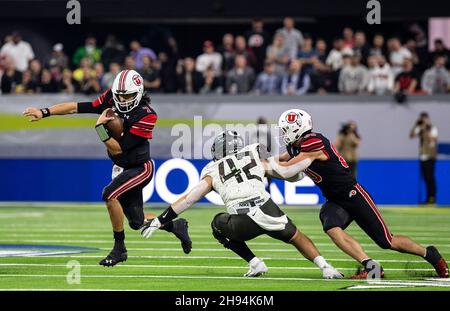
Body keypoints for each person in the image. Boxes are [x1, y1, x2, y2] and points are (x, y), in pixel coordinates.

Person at [22, 70, 192, 266]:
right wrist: (44, 112)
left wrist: (100, 129)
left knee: (109, 194)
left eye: (127, 95)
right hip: (121, 167)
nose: (122, 99)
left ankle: (119, 249)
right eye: (119, 95)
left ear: (138, 93)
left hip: (140, 168)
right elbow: (76, 107)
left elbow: (119, 148)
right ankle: (176, 226)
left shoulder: (146, 115)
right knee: (136, 222)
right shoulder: (111, 98)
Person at [268, 109, 449, 279]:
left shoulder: (314, 142)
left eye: (286, 129)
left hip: (353, 194)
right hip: (335, 199)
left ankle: (430, 254)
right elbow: (279, 160)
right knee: (331, 226)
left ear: (297, 128)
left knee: (386, 241)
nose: (284, 134)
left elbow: (287, 167)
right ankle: (372, 267)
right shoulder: (295, 146)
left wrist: (262, 167)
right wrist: (253, 160)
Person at [141, 131, 344, 279]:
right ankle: (326, 267)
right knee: (296, 236)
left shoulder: (213, 169)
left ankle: (255, 263)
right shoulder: (254, 152)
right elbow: (282, 171)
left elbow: (189, 199)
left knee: (217, 225)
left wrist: (161, 220)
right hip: (268, 209)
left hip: (241, 221)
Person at [410, 112, 438, 204]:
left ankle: (432, 198)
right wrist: (417, 125)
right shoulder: (420, 128)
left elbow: (432, 139)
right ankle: (427, 199)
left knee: (430, 178)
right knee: (425, 178)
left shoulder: (432, 128)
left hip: (430, 156)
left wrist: (425, 129)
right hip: (422, 157)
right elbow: (412, 135)